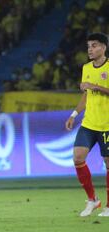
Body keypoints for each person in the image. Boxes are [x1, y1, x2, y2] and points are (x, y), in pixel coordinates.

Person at [65, 32, 109, 217]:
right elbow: (86, 95)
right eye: (89, 46)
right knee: (78, 157)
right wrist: (74, 114)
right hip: (89, 123)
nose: (90, 49)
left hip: (107, 125)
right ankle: (93, 200)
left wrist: (96, 86)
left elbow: (93, 88)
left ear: (104, 47)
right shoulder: (86, 67)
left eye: (95, 45)